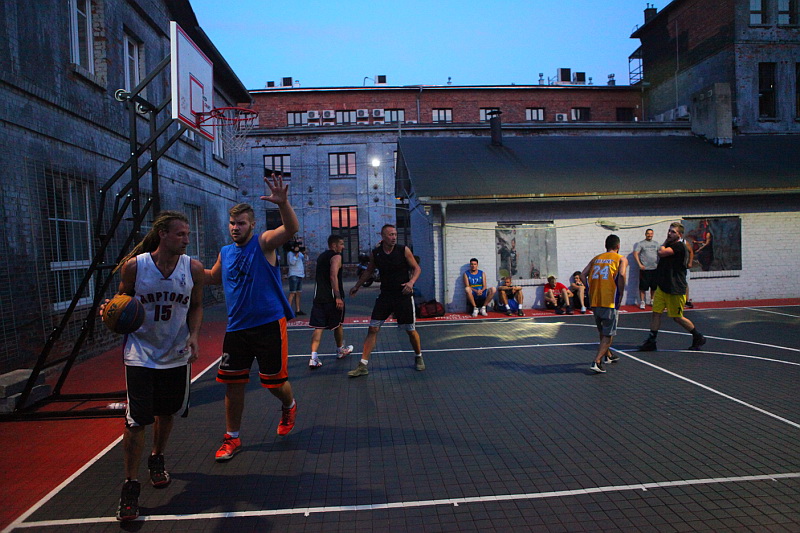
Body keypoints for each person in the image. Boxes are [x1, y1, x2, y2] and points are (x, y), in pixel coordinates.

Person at [107, 211, 204, 521]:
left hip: (176, 352)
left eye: (188, 234)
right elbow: (120, 301)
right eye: (180, 234)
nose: (186, 240)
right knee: (136, 421)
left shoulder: (193, 268)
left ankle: (157, 457)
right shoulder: (135, 267)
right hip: (140, 353)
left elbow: (197, 305)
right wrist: (109, 311)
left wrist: (194, 335)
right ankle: (130, 486)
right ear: (162, 233)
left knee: (166, 412)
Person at [205, 173, 299, 463]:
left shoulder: (263, 243)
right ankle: (232, 437)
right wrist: (179, 266)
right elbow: (211, 277)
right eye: (232, 223)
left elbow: (290, 229)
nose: (236, 228)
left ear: (252, 225)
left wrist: (282, 204)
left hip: (268, 324)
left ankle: (289, 405)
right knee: (233, 385)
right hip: (237, 329)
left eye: (241, 223)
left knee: (274, 383)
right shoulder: (225, 253)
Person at [348, 224, 424, 377]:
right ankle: (363, 365)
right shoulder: (376, 253)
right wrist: (357, 285)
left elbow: (417, 268)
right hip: (385, 296)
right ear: (383, 236)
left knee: (410, 330)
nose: (394, 237)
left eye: (395, 234)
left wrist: (411, 283)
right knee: (373, 328)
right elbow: (369, 270)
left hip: (403, 295)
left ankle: (418, 356)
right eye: (391, 235)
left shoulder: (403, 250)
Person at [638, 222, 707, 352]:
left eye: (673, 232)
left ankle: (698, 336)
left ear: (679, 235)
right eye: (669, 231)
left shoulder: (679, 246)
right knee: (656, 313)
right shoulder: (671, 244)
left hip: (675, 288)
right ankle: (651, 341)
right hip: (663, 286)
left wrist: (665, 242)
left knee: (677, 317)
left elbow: (661, 252)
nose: (669, 234)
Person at [582, 234, 628, 373]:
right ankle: (597, 361)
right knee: (608, 334)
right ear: (618, 246)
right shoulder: (621, 259)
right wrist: (620, 293)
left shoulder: (596, 258)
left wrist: (589, 289)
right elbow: (621, 275)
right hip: (609, 300)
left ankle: (608, 355)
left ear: (606, 246)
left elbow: (583, 275)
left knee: (602, 330)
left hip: (595, 299)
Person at [308, 234, 353, 368]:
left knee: (318, 327)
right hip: (332, 298)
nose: (343, 247)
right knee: (338, 324)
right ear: (334, 245)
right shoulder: (336, 256)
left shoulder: (321, 257)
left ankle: (313, 358)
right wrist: (338, 297)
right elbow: (333, 276)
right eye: (341, 244)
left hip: (319, 297)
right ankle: (340, 350)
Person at [633, 228, 659, 309]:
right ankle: (642, 302)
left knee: (654, 287)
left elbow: (660, 253)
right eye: (648, 233)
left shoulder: (656, 244)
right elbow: (635, 253)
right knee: (643, 287)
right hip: (645, 269)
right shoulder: (641, 244)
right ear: (645, 234)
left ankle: (652, 300)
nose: (649, 235)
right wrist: (640, 264)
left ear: (653, 234)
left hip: (654, 268)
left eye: (651, 233)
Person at [286, 242, 306, 315]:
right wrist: (296, 255)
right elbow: (292, 263)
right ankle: (288, 311)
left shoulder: (300, 253)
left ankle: (298, 310)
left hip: (300, 275)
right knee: (292, 293)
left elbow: (305, 260)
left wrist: (304, 254)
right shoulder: (290, 254)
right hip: (293, 275)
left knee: (298, 293)